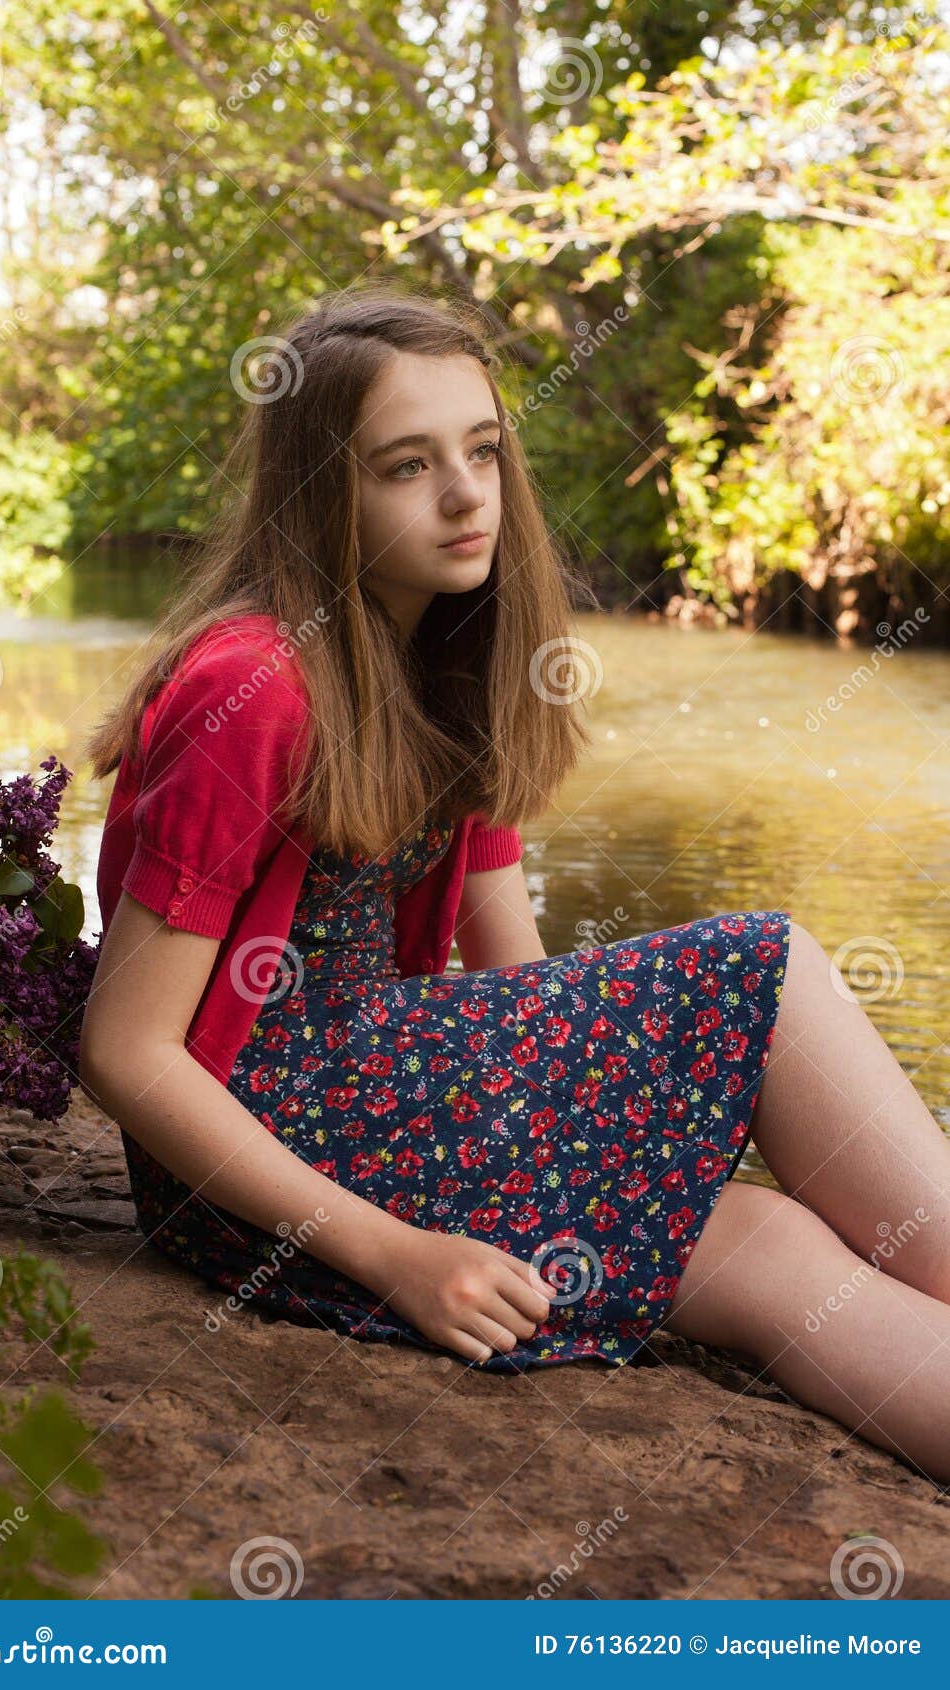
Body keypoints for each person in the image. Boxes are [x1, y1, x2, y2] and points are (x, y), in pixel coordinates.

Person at [81, 282, 950, 1483]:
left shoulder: (452, 647)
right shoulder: (257, 687)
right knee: (765, 967)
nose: (463, 494)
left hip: (379, 1091)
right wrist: (394, 1256)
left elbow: (521, 992)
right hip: (265, 1145)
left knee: (759, 1243)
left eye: (482, 450)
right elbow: (125, 1049)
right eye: (404, 465)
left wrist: (603, 1142)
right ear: (320, 490)